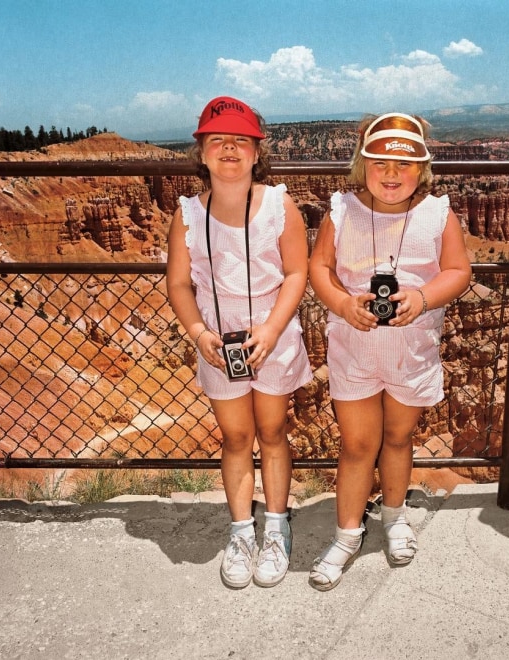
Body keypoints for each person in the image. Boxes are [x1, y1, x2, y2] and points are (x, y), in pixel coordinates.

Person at [307, 112, 471, 590]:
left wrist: (421, 298)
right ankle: (346, 534)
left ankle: (394, 518)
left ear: (422, 169)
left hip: (411, 349)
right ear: (363, 164)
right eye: (380, 163)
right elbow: (320, 267)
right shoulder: (342, 211)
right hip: (354, 350)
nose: (392, 174)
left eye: (404, 165)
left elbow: (458, 271)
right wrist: (341, 301)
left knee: (398, 440)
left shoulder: (437, 215)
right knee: (357, 445)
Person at [166, 96, 312, 589]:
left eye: (240, 141)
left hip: (272, 339)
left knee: (272, 433)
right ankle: (241, 531)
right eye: (217, 140)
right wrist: (198, 333)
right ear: (202, 154)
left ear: (256, 153)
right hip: (218, 344)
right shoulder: (187, 215)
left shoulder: (279, 204)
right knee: (234, 438)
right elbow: (180, 284)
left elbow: (296, 272)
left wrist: (270, 329)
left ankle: (275, 527)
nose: (229, 148)